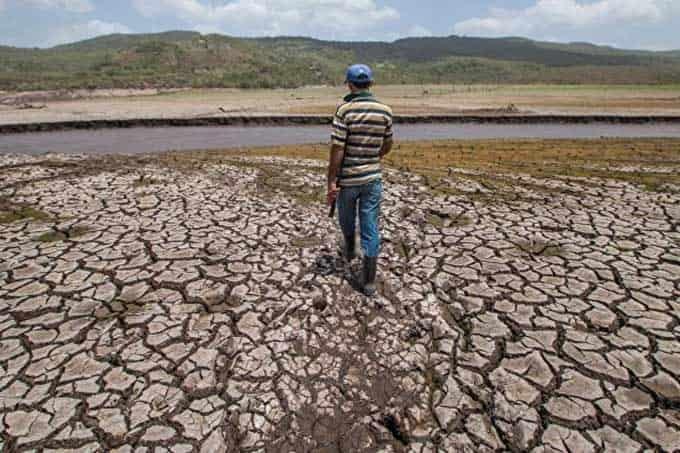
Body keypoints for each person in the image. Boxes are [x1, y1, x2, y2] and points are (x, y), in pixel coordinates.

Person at [326, 64, 394, 296]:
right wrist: (372, 158)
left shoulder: (344, 110)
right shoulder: (385, 111)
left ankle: (350, 253)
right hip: (372, 178)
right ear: (371, 84)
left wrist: (331, 181)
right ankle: (368, 283)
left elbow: (337, 149)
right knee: (370, 227)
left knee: (346, 220)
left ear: (349, 84)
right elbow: (387, 145)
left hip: (349, 180)